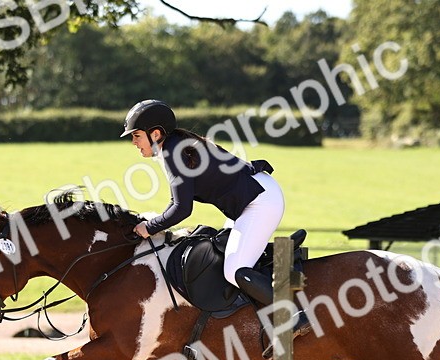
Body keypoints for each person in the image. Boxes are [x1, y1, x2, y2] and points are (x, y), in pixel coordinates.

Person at [121, 99, 309, 342]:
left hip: (260, 202)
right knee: (223, 251)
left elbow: (181, 209)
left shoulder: (173, 152)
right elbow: (176, 203)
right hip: (255, 198)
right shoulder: (175, 146)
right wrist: (153, 222)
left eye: (136, 135)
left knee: (235, 270)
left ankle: (293, 316)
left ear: (155, 133)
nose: (133, 142)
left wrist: (150, 226)